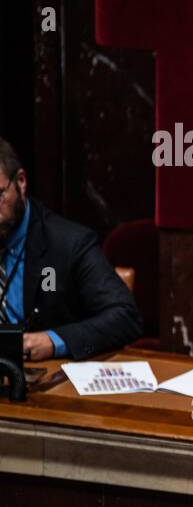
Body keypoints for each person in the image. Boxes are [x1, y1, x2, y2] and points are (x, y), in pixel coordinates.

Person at [0, 139, 143, 361]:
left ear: (20, 182)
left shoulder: (69, 243)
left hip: (46, 378)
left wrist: (53, 340)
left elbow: (125, 317)